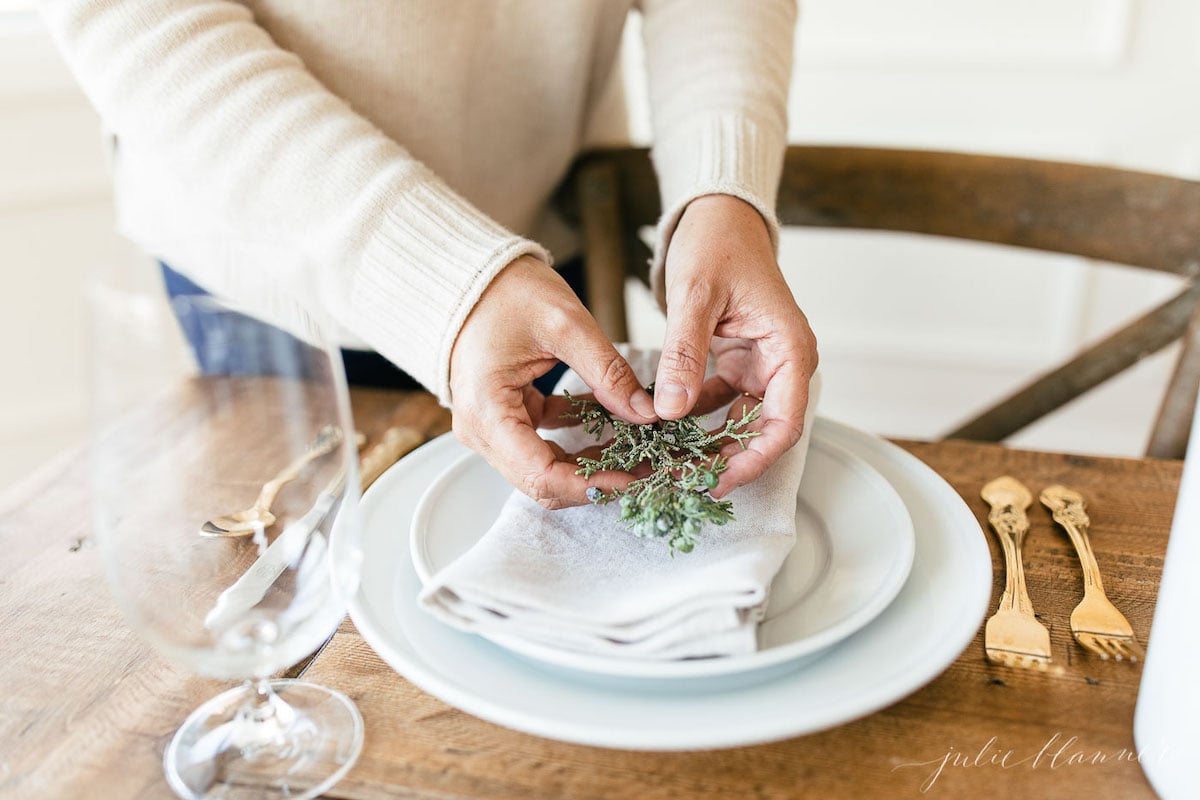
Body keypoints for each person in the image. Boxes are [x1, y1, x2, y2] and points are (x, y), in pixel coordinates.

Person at [43, 0, 818, 509]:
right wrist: (447, 283)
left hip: (545, 225)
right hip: (275, 251)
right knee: (298, 603)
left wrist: (725, 192)